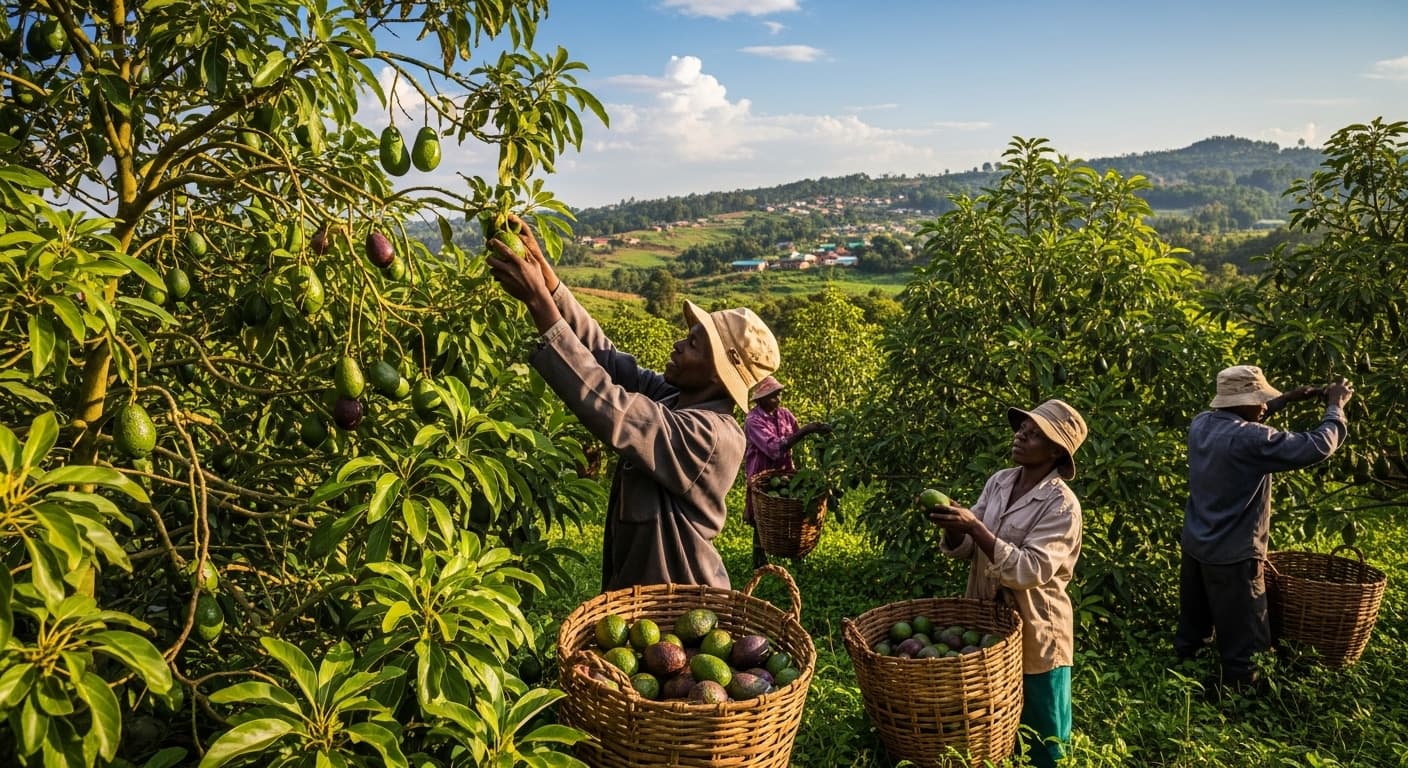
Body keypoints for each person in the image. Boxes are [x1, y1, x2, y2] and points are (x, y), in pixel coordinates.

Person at [484, 215, 779, 592]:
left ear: (717, 375)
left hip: (677, 605)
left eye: (693, 344)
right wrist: (547, 280)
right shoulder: (674, 399)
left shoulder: (711, 436)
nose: (678, 345)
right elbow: (606, 359)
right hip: (639, 601)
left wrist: (538, 302)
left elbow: (611, 406)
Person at [926, 399, 1087, 768]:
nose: (1020, 437)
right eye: (1022, 430)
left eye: (1034, 435)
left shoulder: (1062, 505)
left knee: (1044, 739)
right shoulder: (1000, 481)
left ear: (1055, 451)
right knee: (993, 727)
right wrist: (956, 528)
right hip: (987, 623)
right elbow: (970, 548)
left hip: (1036, 630)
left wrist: (974, 527)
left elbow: (1030, 569)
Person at [1175, 365, 1353, 689]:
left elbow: (1243, 417)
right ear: (1242, 404)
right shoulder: (1251, 438)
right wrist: (1335, 407)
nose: (1262, 406)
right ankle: (1242, 702)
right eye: (1258, 400)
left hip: (1196, 548)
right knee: (1247, 646)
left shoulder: (1201, 423)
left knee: (1193, 632)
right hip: (1234, 558)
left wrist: (1287, 399)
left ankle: (1182, 686)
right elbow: (1317, 445)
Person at [743, 376, 832, 568]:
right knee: (762, 515)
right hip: (761, 472)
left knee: (789, 511)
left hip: (784, 471)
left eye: (779, 394)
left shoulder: (785, 415)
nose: (778, 399)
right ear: (760, 399)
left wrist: (816, 436)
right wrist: (807, 430)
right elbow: (774, 449)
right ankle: (759, 558)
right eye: (773, 396)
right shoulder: (753, 420)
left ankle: (795, 553)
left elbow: (796, 439)